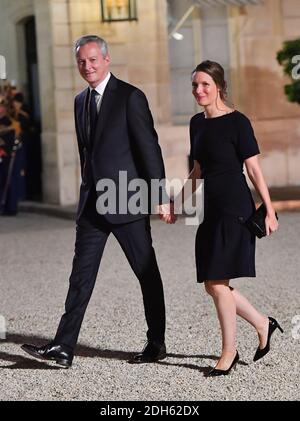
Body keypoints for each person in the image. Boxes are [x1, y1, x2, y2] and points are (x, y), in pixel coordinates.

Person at [21, 35, 175, 368]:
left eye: (92, 60)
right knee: (81, 276)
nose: (87, 67)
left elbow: (149, 149)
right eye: (81, 62)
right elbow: (87, 152)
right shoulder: (80, 100)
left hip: (126, 198)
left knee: (146, 272)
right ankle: (63, 347)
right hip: (92, 202)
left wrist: (159, 195)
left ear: (106, 60)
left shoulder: (130, 97)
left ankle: (156, 342)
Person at [174, 60, 282, 376]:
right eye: (195, 85)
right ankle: (263, 324)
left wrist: (269, 208)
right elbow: (197, 171)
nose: (199, 90)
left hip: (235, 207)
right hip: (211, 209)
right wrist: (176, 203)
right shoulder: (196, 123)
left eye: (205, 84)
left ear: (219, 86)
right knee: (212, 283)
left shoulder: (238, 122)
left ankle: (228, 352)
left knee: (218, 282)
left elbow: (253, 169)